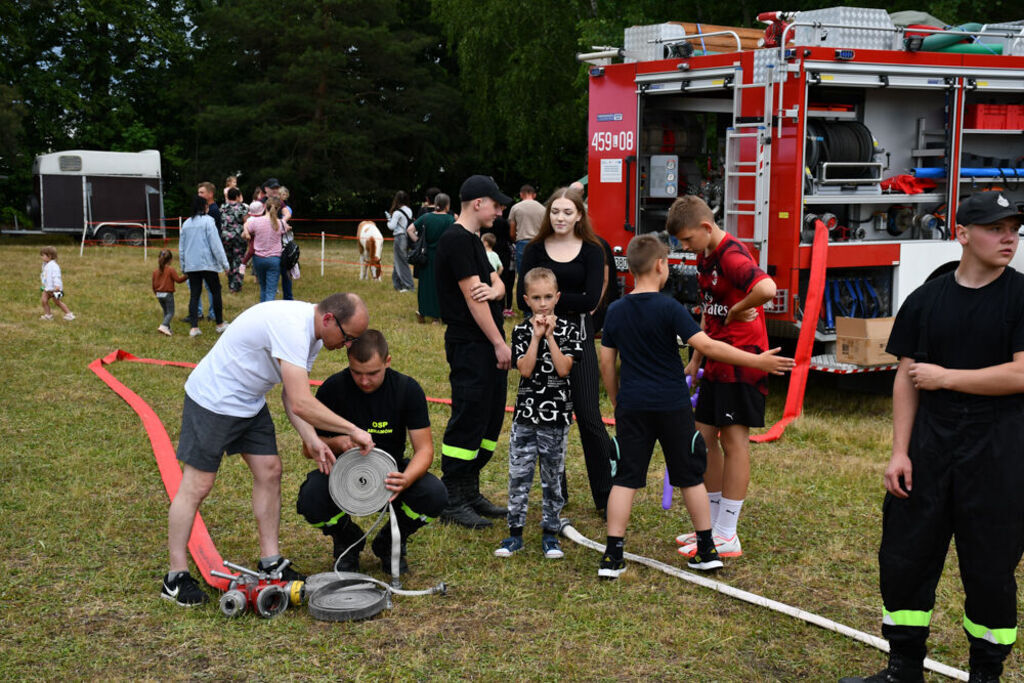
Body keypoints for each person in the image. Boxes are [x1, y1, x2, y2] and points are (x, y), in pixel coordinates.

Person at [840, 192, 1024, 683]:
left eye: (1013, 228)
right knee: (905, 557)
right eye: (996, 228)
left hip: (999, 452)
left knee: (989, 570)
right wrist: (899, 452)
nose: (1009, 237)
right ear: (962, 234)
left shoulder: (1021, 296)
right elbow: (905, 376)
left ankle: (986, 674)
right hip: (929, 448)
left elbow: (1021, 373)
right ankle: (903, 668)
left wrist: (947, 378)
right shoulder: (927, 298)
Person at [596, 234, 793, 579]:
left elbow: (606, 363)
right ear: (661, 266)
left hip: (633, 406)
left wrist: (617, 400)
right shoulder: (671, 309)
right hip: (673, 407)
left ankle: (613, 556)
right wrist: (756, 361)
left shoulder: (615, 311)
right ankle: (707, 549)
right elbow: (709, 346)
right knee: (690, 478)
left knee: (625, 479)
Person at [161, 293, 375, 607]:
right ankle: (175, 578)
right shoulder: (292, 327)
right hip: (214, 399)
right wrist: (352, 430)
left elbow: (292, 397)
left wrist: (312, 438)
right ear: (329, 319)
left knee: (270, 471)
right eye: (347, 338)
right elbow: (303, 401)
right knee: (198, 484)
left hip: (249, 401)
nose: (346, 346)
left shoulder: (314, 336)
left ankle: (270, 562)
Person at [665, 195, 778, 560]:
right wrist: (695, 359)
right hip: (714, 359)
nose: (684, 247)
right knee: (704, 438)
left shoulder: (731, 255)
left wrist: (739, 310)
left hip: (742, 362)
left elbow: (767, 289)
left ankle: (728, 531)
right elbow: (708, 314)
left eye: (687, 240)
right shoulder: (705, 256)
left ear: (706, 227)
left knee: (734, 442)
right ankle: (711, 527)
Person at [296, 330, 447, 574]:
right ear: (348, 361)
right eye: (357, 373)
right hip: (342, 477)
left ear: (388, 361)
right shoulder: (333, 389)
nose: (364, 381)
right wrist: (339, 442)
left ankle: (389, 543)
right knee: (310, 499)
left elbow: (425, 450)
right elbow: (307, 448)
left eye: (373, 373)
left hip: (390, 478)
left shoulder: (407, 389)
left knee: (434, 495)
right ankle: (347, 539)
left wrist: (406, 479)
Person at [518, 187, 613, 513]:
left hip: (580, 338)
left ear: (579, 216)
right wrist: (546, 314)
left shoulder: (592, 250)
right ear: (548, 215)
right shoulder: (533, 249)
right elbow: (520, 298)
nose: (560, 217)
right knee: (549, 419)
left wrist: (549, 302)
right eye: (555, 211)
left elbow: (590, 299)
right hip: (541, 341)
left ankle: (606, 497)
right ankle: (557, 495)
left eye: (567, 212)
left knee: (589, 417)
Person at [434, 174, 513, 528]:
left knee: (489, 416)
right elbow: (473, 297)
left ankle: (469, 489)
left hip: (483, 342)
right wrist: (498, 343)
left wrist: (496, 290)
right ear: (478, 203)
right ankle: (451, 496)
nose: (500, 210)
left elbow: (495, 283)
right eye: (496, 204)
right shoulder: (456, 240)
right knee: (469, 415)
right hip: (471, 343)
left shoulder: (475, 240)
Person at [495, 267, 581, 559]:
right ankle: (514, 534)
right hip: (525, 417)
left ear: (557, 297)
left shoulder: (570, 331)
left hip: (556, 418)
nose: (543, 303)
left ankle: (550, 534)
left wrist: (551, 337)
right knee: (519, 474)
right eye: (536, 298)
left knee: (552, 477)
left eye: (547, 297)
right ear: (526, 300)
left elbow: (563, 368)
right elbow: (526, 369)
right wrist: (535, 337)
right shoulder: (520, 331)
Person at [179, 195, 228, 337]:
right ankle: (219, 323)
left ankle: (194, 327)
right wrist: (225, 264)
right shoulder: (209, 222)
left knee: (195, 294)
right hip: (207, 264)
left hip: (192, 265)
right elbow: (216, 245)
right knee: (216, 291)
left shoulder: (186, 224)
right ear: (204, 207)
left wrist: (183, 266)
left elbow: (181, 247)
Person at [408, 193, 455, 323]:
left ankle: (422, 312)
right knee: (439, 285)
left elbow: (410, 230)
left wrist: (418, 242)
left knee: (424, 284)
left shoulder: (426, 217)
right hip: (442, 255)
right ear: (447, 205)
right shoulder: (450, 220)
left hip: (426, 255)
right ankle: (436, 317)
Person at [243, 198, 285, 303]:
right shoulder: (280, 223)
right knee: (271, 291)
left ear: (264, 207)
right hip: (274, 258)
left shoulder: (256, 222)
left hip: (258, 258)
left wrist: (246, 230)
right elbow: (285, 231)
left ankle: (261, 312)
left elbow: (244, 235)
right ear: (278, 209)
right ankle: (268, 313)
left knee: (263, 288)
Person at [482, 206, 515, 317]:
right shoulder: (504, 222)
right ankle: (503, 307)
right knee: (504, 281)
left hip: (489, 250)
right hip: (503, 252)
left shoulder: (485, 221)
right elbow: (509, 237)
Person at [509, 184, 545, 275]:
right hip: (539, 243)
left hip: (522, 243)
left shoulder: (515, 208)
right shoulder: (543, 209)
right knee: (538, 273)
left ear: (521, 194)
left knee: (522, 273)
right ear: (534, 195)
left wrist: (515, 241)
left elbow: (512, 232)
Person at [220, 187, 249, 293]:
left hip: (225, 237)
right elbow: (246, 222)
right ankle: (236, 286)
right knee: (239, 261)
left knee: (229, 261)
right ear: (237, 196)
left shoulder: (223, 207)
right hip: (238, 237)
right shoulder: (242, 207)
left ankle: (230, 282)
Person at [152, 248, 187, 335]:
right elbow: (178, 280)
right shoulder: (170, 270)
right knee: (171, 312)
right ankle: (163, 326)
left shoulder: (155, 271)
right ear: (171, 260)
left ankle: (167, 329)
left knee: (166, 312)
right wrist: (187, 276)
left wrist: (156, 293)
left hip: (159, 294)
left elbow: (153, 285)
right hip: (168, 294)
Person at [388, 190, 416, 292]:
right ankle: (397, 284)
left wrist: (389, 219)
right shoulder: (409, 210)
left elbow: (391, 226)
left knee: (402, 262)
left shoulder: (396, 213)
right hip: (406, 236)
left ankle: (408, 285)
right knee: (398, 261)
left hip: (399, 237)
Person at [38, 246, 74, 321]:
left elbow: (56, 276)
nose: (42, 257)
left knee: (57, 302)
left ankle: (69, 314)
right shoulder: (46, 264)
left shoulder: (54, 266)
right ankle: (48, 315)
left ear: (49, 256)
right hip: (47, 288)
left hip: (55, 289)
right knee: (44, 301)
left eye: (43, 255)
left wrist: (57, 286)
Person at [277, 186, 296, 300]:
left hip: (285, 238)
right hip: (280, 238)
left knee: (287, 267)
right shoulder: (279, 207)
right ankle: (288, 296)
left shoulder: (285, 207)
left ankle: (288, 296)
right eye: (283, 195)